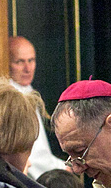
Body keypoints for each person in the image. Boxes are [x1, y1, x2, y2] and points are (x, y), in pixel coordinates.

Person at [9, 35, 67, 177]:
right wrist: (60, 168)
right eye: (20, 62)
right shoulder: (12, 97)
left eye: (31, 60)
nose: (27, 68)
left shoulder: (27, 90)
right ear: (7, 63)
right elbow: (32, 151)